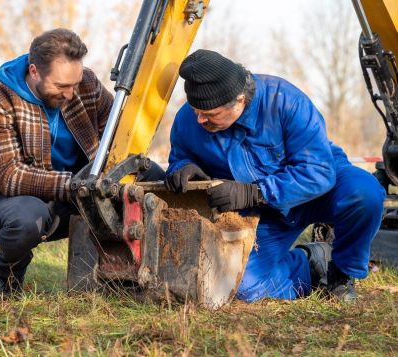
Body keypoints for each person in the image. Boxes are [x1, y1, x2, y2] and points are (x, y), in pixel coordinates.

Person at [165, 49, 386, 303]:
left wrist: (255, 193)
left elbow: (319, 172)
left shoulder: (285, 101)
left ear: (239, 101)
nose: (200, 119)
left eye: (210, 114)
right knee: (239, 287)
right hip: (261, 214)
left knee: (365, 194)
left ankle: (341, 274)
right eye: (196, 111)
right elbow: (179, 158)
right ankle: (311, 264)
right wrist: (182, 168)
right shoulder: (187, 120)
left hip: (319, 189)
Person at [0, 28, 117, 297]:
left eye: (74, 84)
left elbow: (117, 133)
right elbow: (9, 175)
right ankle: (8, 273)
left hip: (76, 191)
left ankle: (120, 277)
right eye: (61, 86)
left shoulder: (85, 83)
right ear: (34, 71)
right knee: (26, 220)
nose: (71, 94)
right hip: (16, 200)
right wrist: (76, 183)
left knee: (143, 178)